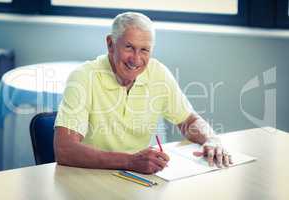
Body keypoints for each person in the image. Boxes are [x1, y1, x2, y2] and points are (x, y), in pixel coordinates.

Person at [54, 12, 232, 174]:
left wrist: (212, 139)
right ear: (110, 44)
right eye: (129, 47)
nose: (136, 59)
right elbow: (64, 149)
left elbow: (189, 120)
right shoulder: (83, 77)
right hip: (89, 177)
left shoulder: (158, 73)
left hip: (137, 178)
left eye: (144, 50)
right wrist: (129, 161)